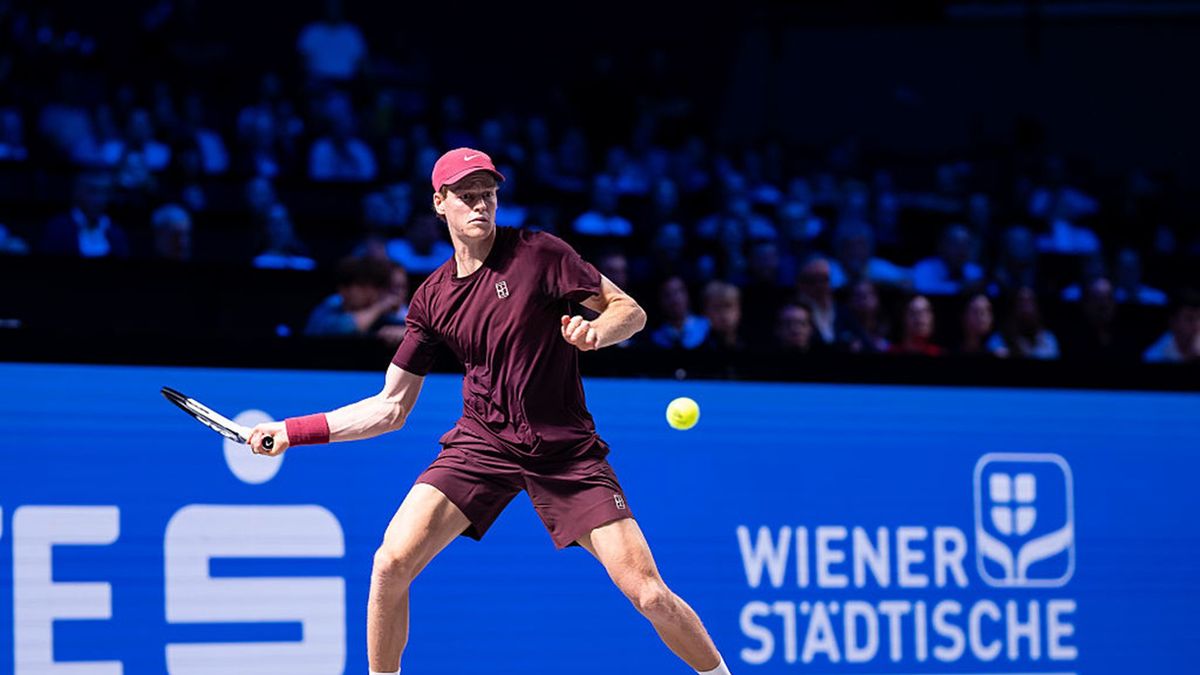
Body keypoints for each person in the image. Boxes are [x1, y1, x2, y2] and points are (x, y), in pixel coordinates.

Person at [246, 148, 732, 675]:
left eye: (488, 194)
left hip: (565, 451)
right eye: (466, 195)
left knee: (649, 594)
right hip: (482, 444)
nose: (481, 204)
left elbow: (630, 311)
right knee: (390, 562)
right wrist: (292, 431)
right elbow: (389, 408)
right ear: (440, 203)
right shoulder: (431, 298)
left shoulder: (539, 252)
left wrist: (596, 333)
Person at [1143, 290, 1200, 363]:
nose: (1196, 325)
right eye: (1189, 319)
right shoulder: (1155, 357)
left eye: (1199, 318)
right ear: (1173, 322)